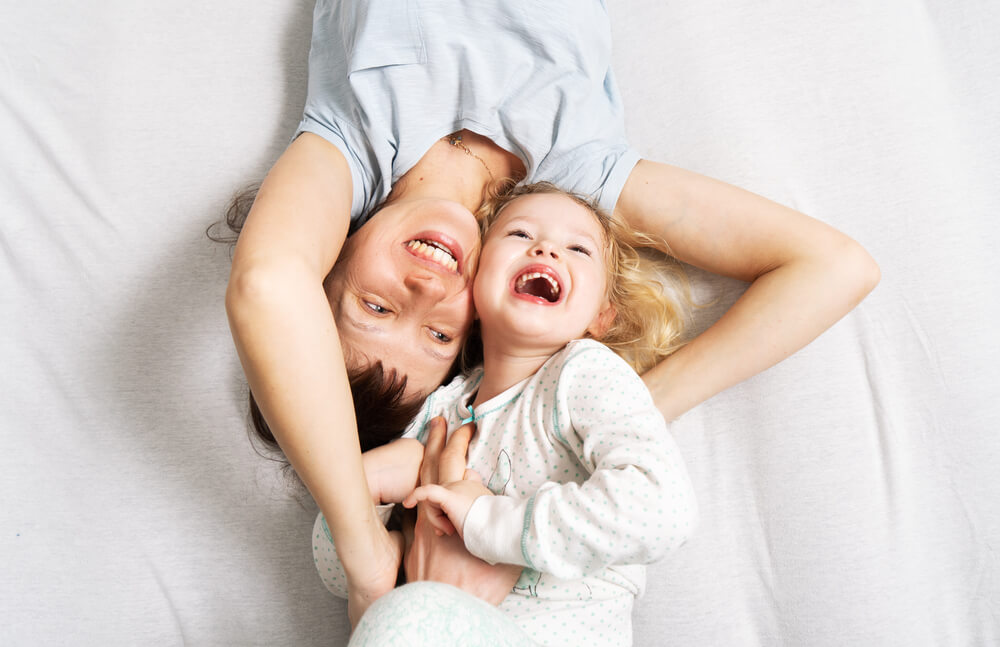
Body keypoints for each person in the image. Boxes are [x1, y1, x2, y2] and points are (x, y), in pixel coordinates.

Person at [223, 0, 880, 627]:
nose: (426, 285)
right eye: (438, 332)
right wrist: (633, 405)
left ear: (328, 255)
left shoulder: (349, 137)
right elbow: (835, 266)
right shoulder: (571, 194)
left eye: (374, 304)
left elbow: (267, 284)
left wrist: (365, 553)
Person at [313, 183, 698, 646]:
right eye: (518, 234)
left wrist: (489, 523)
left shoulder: (583, 374)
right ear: (472, 290)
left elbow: (661, 508)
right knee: (398, 615)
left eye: (578, 248)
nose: (547, 249)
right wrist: (366, 482)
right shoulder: (439, 414)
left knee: (406, 614)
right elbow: (341, 574)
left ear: (601, 316)